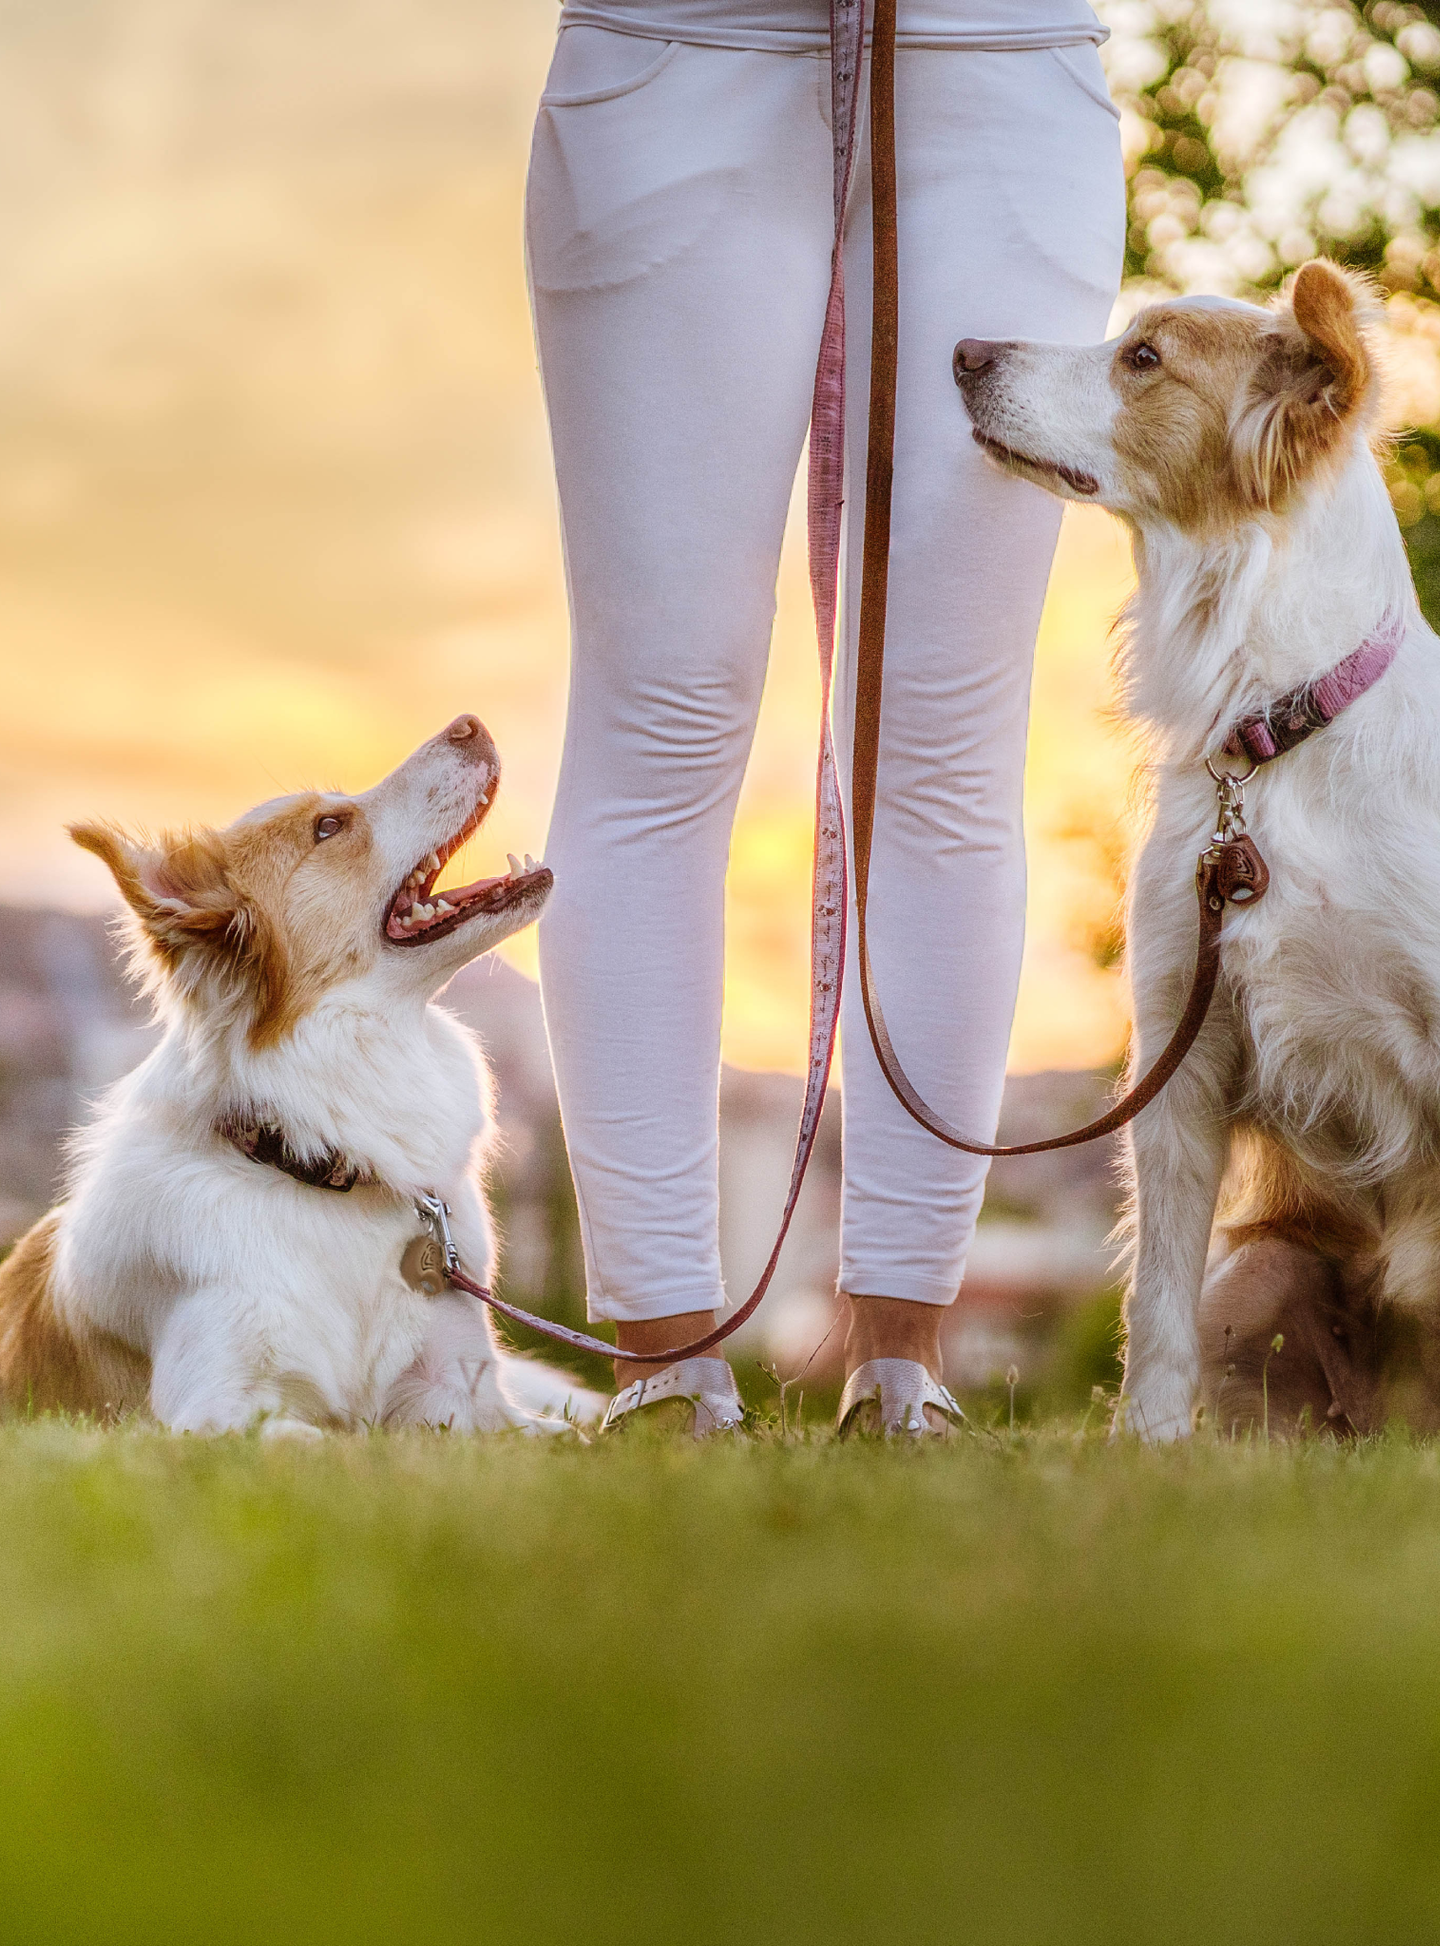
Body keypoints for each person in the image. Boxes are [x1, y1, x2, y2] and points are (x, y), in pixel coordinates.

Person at [525, 0, 1125, 1432]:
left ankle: (901, 1366)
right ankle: (664, 1366)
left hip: (996, 62)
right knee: (662, 714)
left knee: (944, 740)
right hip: (683, 50)